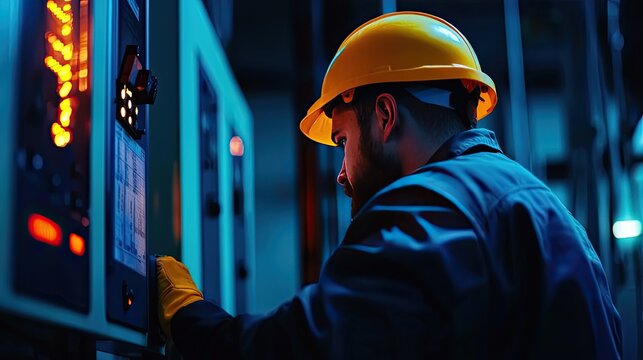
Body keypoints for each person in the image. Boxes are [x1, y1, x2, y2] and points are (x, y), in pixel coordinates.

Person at [157, 11, 622, 359]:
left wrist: (188, 316)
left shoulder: (432, 205)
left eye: (342, 141)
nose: (340, 173)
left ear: (384, 115)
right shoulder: (546, 212)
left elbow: (303, 348)